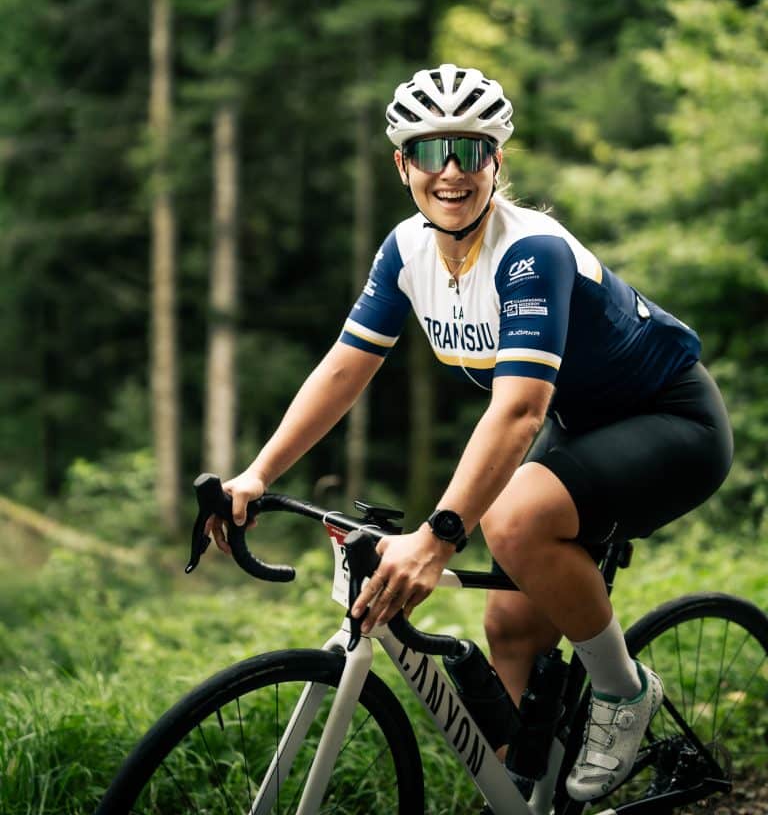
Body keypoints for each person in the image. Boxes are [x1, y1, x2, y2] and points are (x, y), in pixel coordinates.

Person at [208, 63, 733, 803]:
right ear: (402, 164)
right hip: (583, 427)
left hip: (672, 420)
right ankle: (533, 795)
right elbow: (343, 371)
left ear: (497, 160)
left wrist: (438, 535)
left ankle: (623, 692)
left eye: (470, 148)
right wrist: (257, 474)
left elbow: (518, 411)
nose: (450, 170)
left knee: (512, 521)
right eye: (429, 151)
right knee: (511, 627)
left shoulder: (531, 251)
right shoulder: (405, 252)